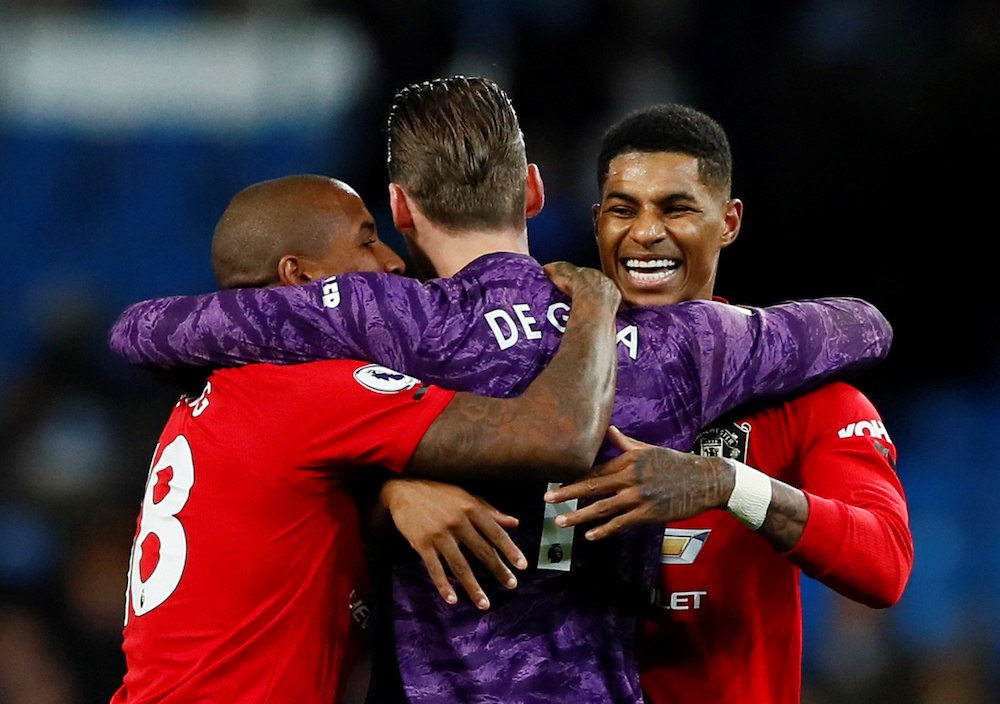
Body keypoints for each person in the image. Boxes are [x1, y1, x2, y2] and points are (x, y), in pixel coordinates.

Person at [107, 77, 893, 704]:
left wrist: (388, 484)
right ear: (534, 191)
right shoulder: (685, 344)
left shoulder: (381, 320)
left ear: (401, 209)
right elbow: (862, 325)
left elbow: (145, 331)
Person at [110, 173, 625, 704]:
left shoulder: (222, 395)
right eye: (366, 241)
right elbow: (558, 437)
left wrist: (393, 493)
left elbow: (301, 539)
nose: (393, 262)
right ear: (301, 276)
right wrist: (594, 305)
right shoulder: (308, 392)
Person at [541, 104, 913, 703]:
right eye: (623, 209)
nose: (645, 233)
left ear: (729, 222)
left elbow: (885, 565)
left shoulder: (808, 395)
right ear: (597, 222)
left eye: (676, 208)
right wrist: (403, 496)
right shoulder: (539, 380)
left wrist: (728, 484)